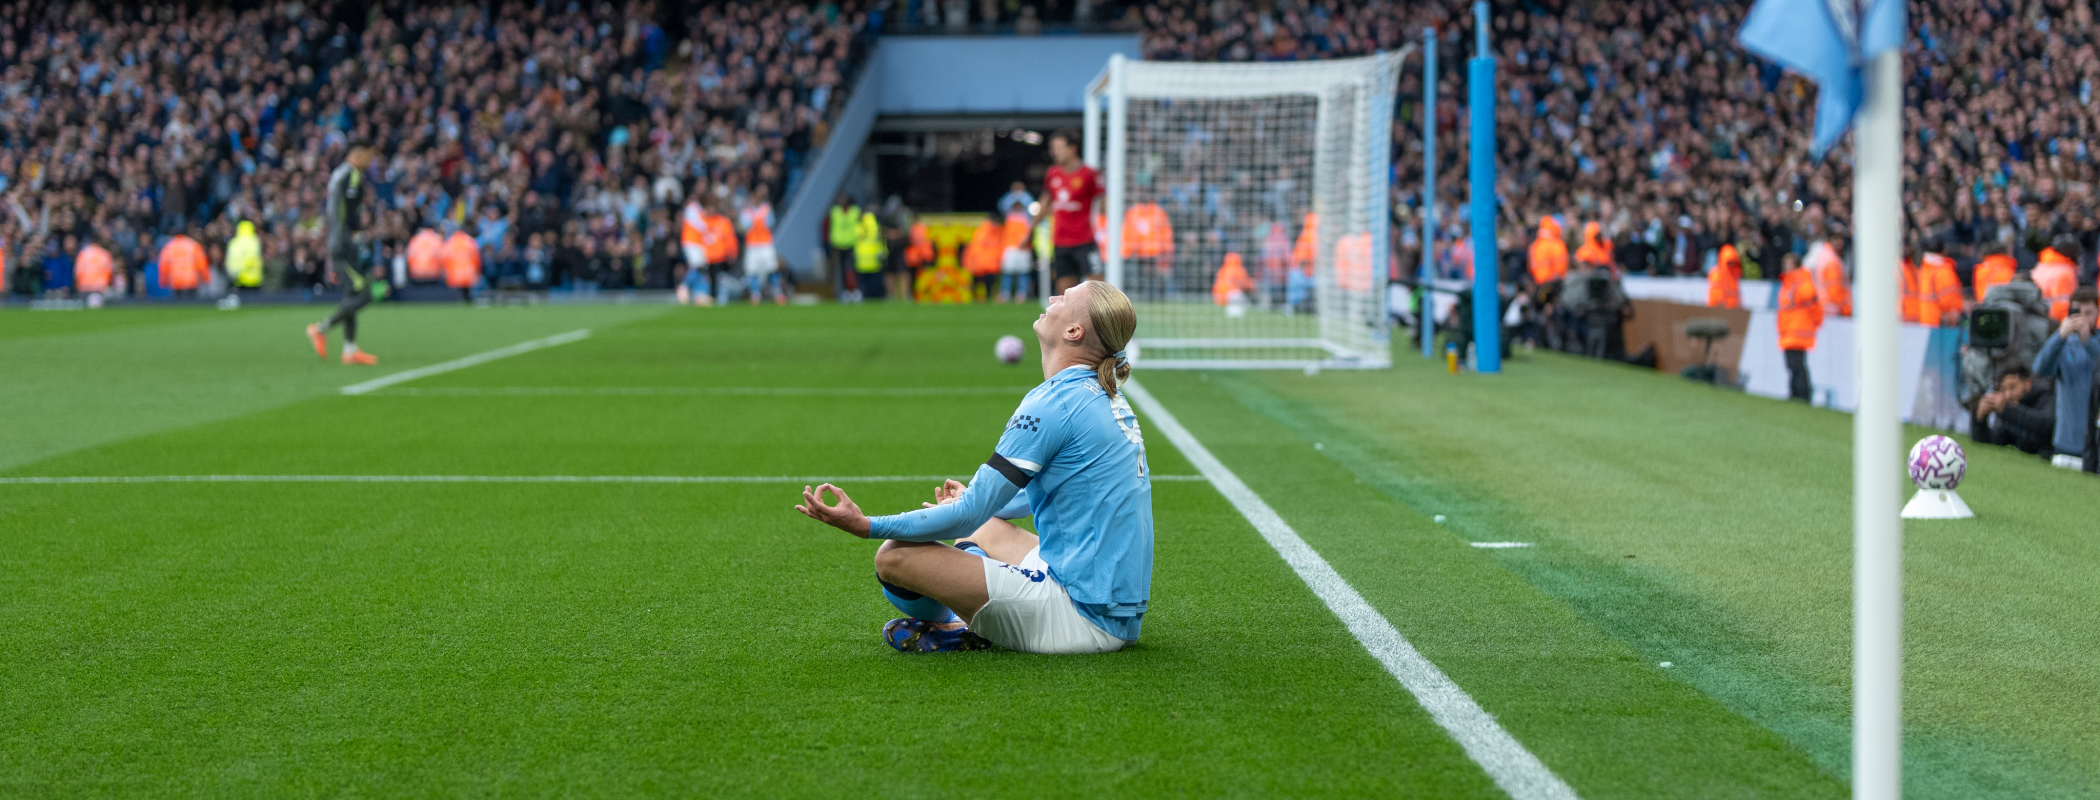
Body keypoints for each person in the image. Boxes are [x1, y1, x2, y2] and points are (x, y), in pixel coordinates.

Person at [794, 280, 1152, 654]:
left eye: (1063, 298)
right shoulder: (1104, 395)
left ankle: (958, 625)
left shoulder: (1052, 403)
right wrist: (974, 507)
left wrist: (866, 525)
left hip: (1079, 619)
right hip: (1114, 613)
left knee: (893, 556)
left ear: (1074, 332)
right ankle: (970, 619)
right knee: (984, 526)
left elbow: (966, 515)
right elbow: (1058, 495)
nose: (1051, 299)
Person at [305, 140, 380, 365]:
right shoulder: (352, 175)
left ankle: (349, 350)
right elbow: (350, 211)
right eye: (369, 155)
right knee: (365, 294)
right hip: (344, 244)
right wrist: (358, 233)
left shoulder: (338, 174)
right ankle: (321, 329)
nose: (371, 161)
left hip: (337, 242)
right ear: (357, 154)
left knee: (351, 295)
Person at [2033, 287, 2100, 471]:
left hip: (2095, 448)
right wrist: (2059, 335)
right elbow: (2039, 369)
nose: (2083, 319)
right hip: (2065, 444)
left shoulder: (2096, 344)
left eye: (2089, 313)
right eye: (2077, 313)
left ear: (2097, 313)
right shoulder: (2064, 344)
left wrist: (2088, 340)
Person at [1042, 129, 1103, 296]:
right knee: (1064, 296)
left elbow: (1104, 202)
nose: (1054, 152)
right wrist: (1028, 231)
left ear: (1072, 148)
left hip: (1085, 241)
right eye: (1052, 148)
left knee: (1098, 292)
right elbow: (1045, 202)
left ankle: (1099, 322)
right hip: (1061, 243)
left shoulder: (1089, 174)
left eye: (1058, 147)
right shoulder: (1052, 174)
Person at [1971, 366, 2055, 456]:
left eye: (2012, 387)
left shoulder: (2048, 397)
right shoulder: (2009, 411)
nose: (2007, 395)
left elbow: (2046, 425)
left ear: (2027, 383)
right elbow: (1993, 439)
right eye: (2003, 389)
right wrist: (1980, 419)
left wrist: (2007, 409)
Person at [1776, 252, 1822, 402]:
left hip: (1798, 329)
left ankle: (1801, 394)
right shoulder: (1789, 282)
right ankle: (1796, 393)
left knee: (1797, 365)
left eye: (1789, 264)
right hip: (1790, 329)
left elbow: (1810, 296)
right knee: (1793, 365)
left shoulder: (1800, 281)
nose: (1786, 267)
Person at [741, 190, 784, 305]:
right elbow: (745, 225)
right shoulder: (747, 211)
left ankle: (778, 293)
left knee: (772, 268)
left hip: (765, 244)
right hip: (752, 245)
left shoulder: (766, 209)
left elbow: (770, 223)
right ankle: (755, 294)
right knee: (752, 270)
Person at [829, 195, 862, 301]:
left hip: (852, 244)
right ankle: (845, 292)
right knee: (840, 270)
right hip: (838, 245)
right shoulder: (835, 212)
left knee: (852, 269)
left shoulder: (855, 211)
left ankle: (854, 290)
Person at [999, 207, 1035, 303]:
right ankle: (1005, 293)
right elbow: (1003, 204)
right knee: (1008, 272)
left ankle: (1021, 293)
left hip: (1023, 249)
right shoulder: (1009, 218)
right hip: (1011, 248)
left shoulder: (1027, 218)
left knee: (1022, 272)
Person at [854, 208, 888, 301]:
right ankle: (877, 297)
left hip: (862, 257)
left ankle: (865, 296)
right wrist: (884, 252)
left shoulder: (860, 225)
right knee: (875, 282)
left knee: (864, 283)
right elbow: (882, 240)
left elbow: (856, 239)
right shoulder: (877, 226)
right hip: (875, 257)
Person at [225, 220, 263, 294]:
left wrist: (234, 274)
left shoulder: (233, 242)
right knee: (252, 303)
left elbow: (229, 260)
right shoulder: (253, 241)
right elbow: (251, 258)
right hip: (252, 279)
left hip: (236, 279)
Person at [1706, 243, 1742, 309]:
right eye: (1730, 262)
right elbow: (1715, 292)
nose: (1732, 265)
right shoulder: (1716, 273)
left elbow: (1737, 294)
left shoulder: (1735, 275)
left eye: (1733, 262)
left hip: (1733, 311)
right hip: (1719, 310)